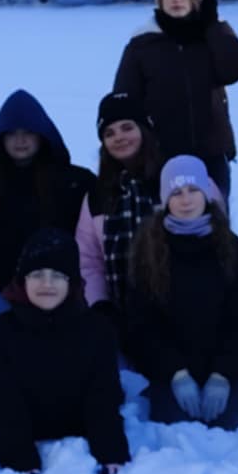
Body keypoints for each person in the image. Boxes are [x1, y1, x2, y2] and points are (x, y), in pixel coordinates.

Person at [0, 228, 131, 474]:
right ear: (23, 280)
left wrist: (111, 452)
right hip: (28, 435)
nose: (47, 284)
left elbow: (103, 397)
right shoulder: (0, 334)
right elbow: (1, 404)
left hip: (80, 430)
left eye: (57, 275)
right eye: (37, 274)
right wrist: (19, 460)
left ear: (72, 282)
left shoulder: (97, 330)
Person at [127, 155, 238, 430]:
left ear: (206, 194)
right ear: (165, 199)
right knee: (177, 431)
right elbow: (143, 324)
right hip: (171, 372)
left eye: (193, 190)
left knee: (234, 426)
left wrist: (223, 374)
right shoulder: (147, 250)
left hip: (221, 369)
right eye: (176, 193)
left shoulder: (233, 248)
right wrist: (176, 374)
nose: (186, 200)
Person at [0, 90, 95, 340]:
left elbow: (93, 241)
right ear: (0, 138)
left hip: (61, 291)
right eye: (11, 133)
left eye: (28, 131)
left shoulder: (76, 182)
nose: (20, 140)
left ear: (42, 134)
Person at [112, 0, 238, 198]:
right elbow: (124, 102)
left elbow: (237, 68)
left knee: (214, 219)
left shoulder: (211, 35)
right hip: (160, 157)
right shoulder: (142, 43)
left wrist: (213, 26)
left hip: (211, 155)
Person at [75, 92, 164, 336]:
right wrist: (100, 304)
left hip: (179, 310)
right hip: (121, 316)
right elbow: (88, 260)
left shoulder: (176, 178)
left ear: (144, 129)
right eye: (109, 133)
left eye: (127, 127)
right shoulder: (98, 195)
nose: (119, 137)